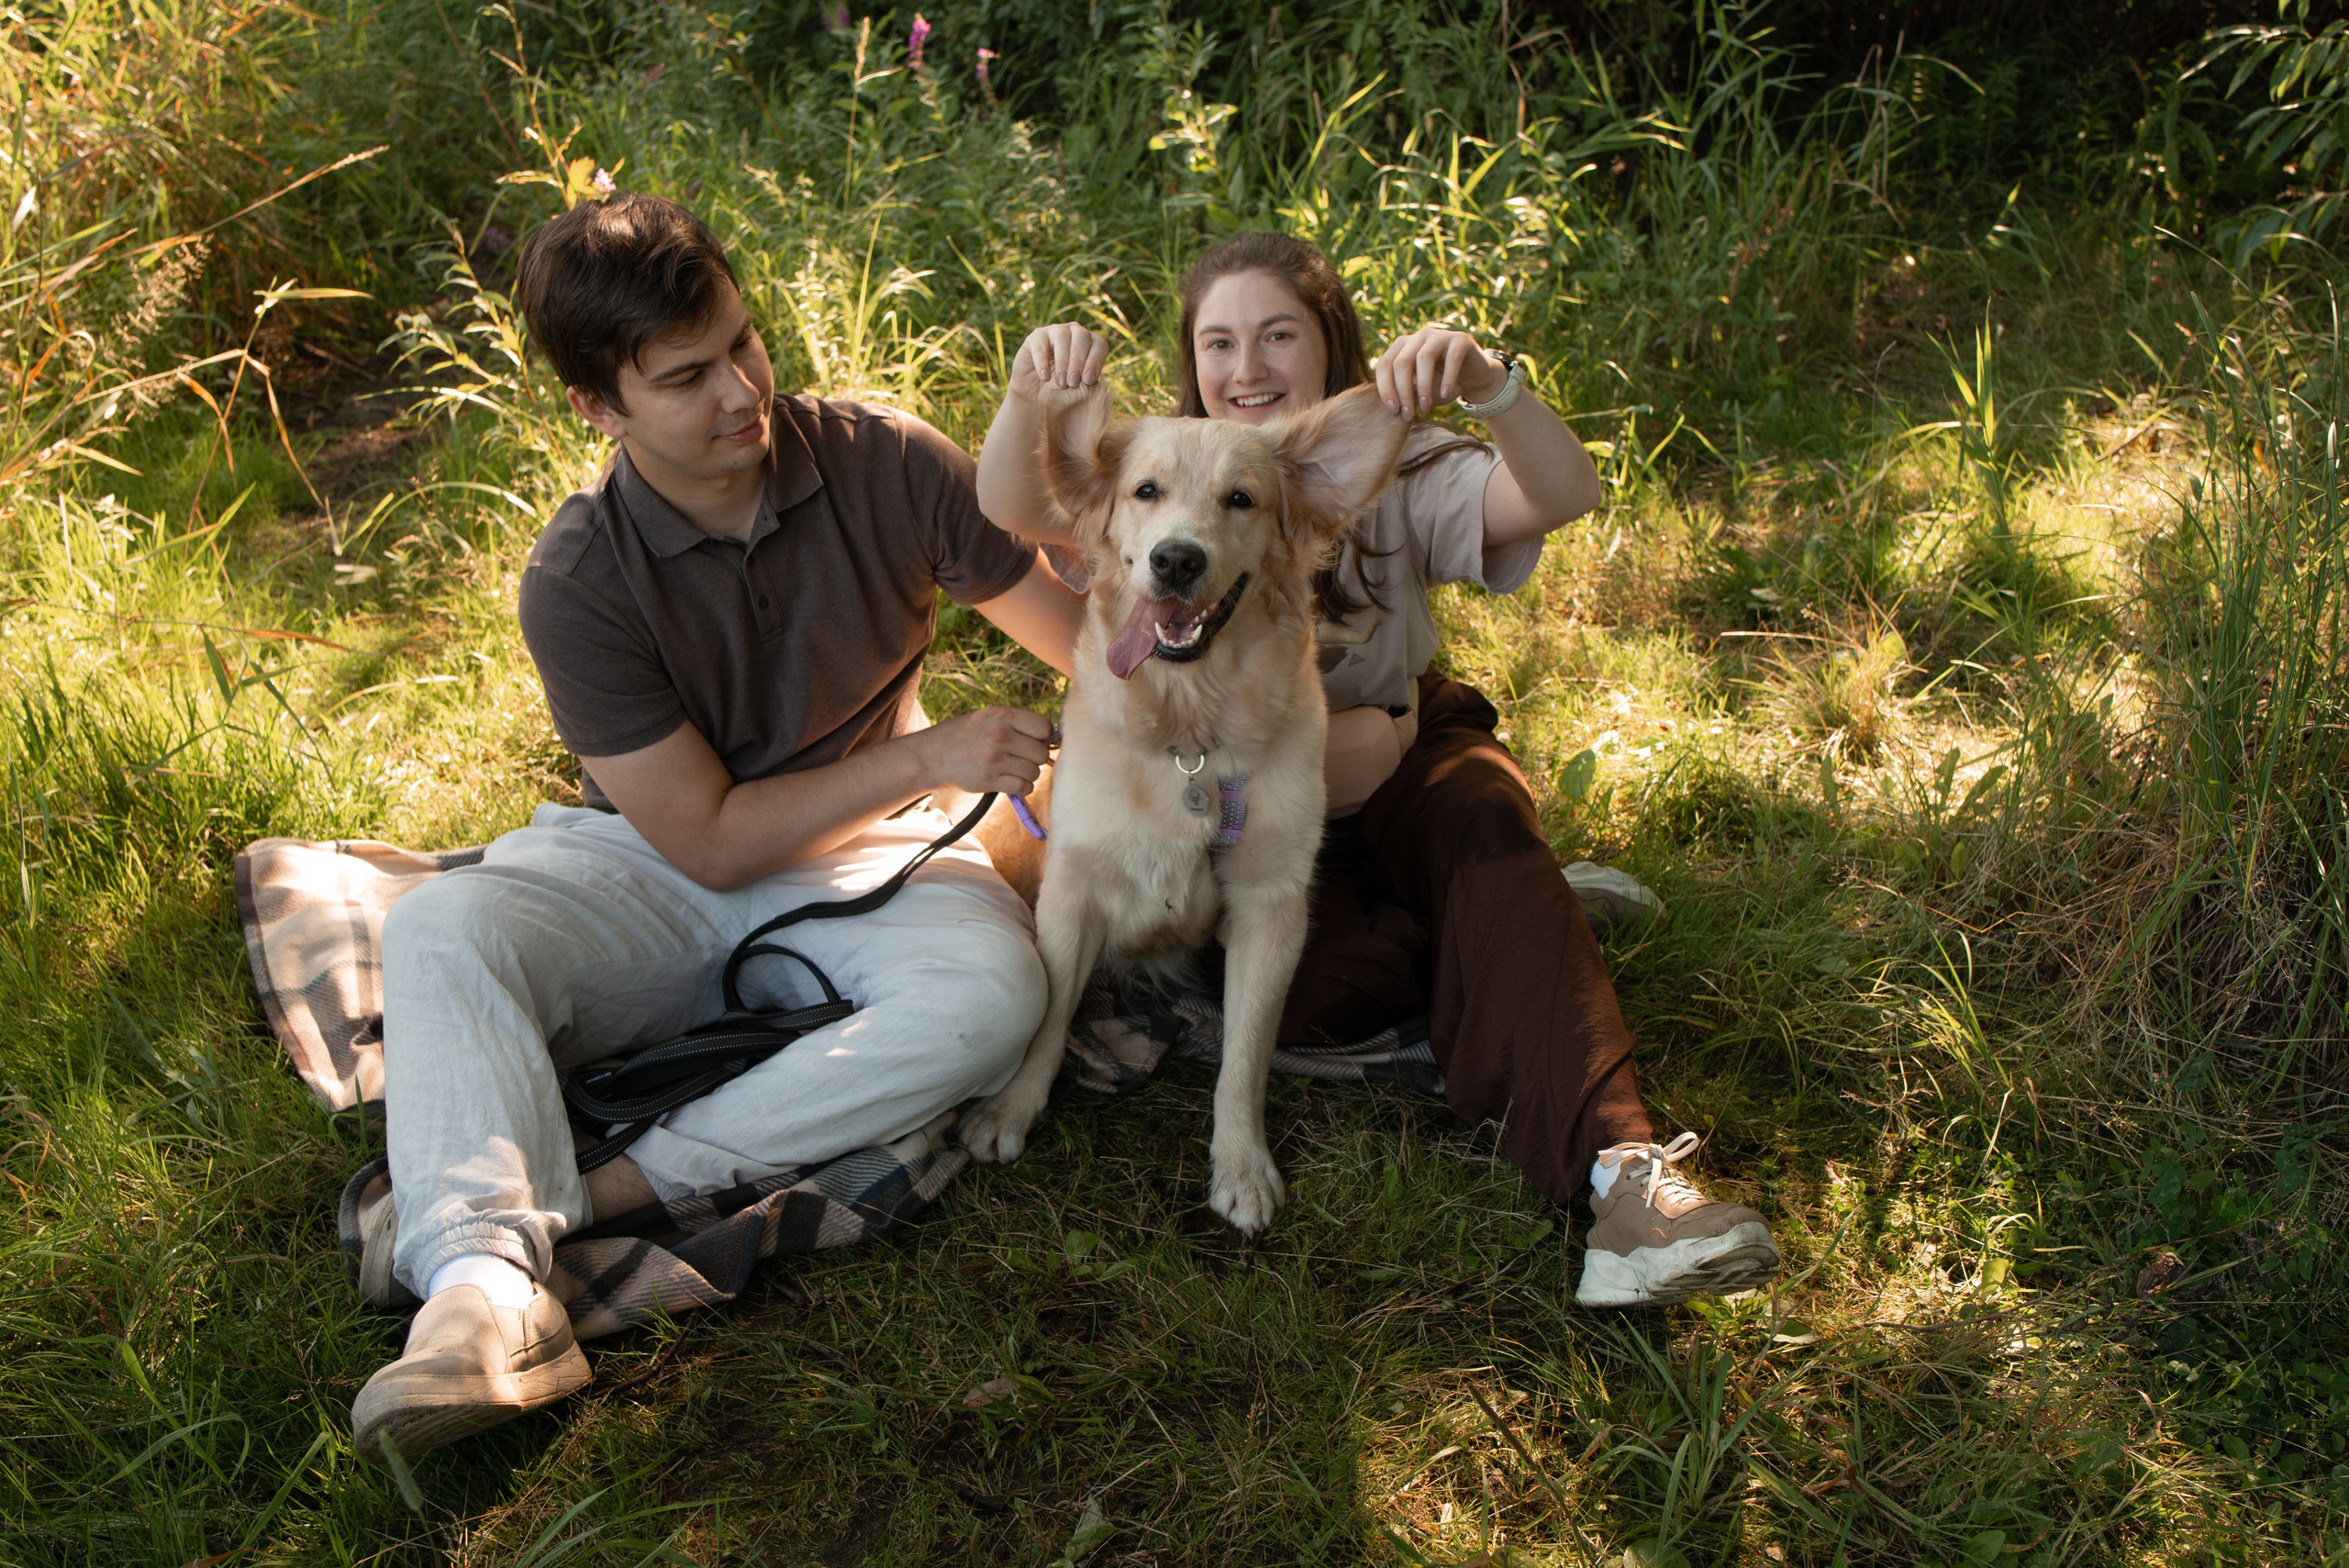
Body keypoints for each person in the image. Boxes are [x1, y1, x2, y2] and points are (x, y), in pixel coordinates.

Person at [351, 194, 1081, 1461]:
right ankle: (478, 1300)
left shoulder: (889, 461)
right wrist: (938, 747)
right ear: (599, 407)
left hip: (886, 846)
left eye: (744, 343)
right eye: (686, 377)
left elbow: (1087, 644)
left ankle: (591, 1200)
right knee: (436, 931)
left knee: (993, 998)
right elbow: (710, 844)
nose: (742, 389)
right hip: (660, 863)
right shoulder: (578, 579)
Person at [974, 231, 1783, 1309]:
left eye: (1277, 335)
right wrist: (1036, 388)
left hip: (1404, 752)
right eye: (1219, 342)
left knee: (1483, 836)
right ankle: (1511, 930)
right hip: (1258, 801)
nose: (1247, 365)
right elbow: (1010, 501)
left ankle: (1624, 1176)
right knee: (1332, 991)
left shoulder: (1378, 462)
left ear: (1331, 349)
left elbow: (1563, 492)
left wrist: (1490, 386)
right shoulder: (1160, 469)